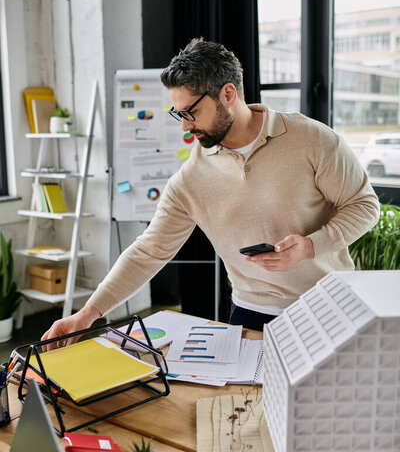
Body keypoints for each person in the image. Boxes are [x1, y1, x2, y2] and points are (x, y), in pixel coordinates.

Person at [41, 38, 379, 347]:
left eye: (191, 112)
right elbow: (148, 251)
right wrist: (87, 314)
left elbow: (364, 206)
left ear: (228, 95)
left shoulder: (312, 139)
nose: (186, 126)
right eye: (178, 114)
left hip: (325, 307)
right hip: (250, 316)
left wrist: (310, 247)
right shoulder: (191, 179)